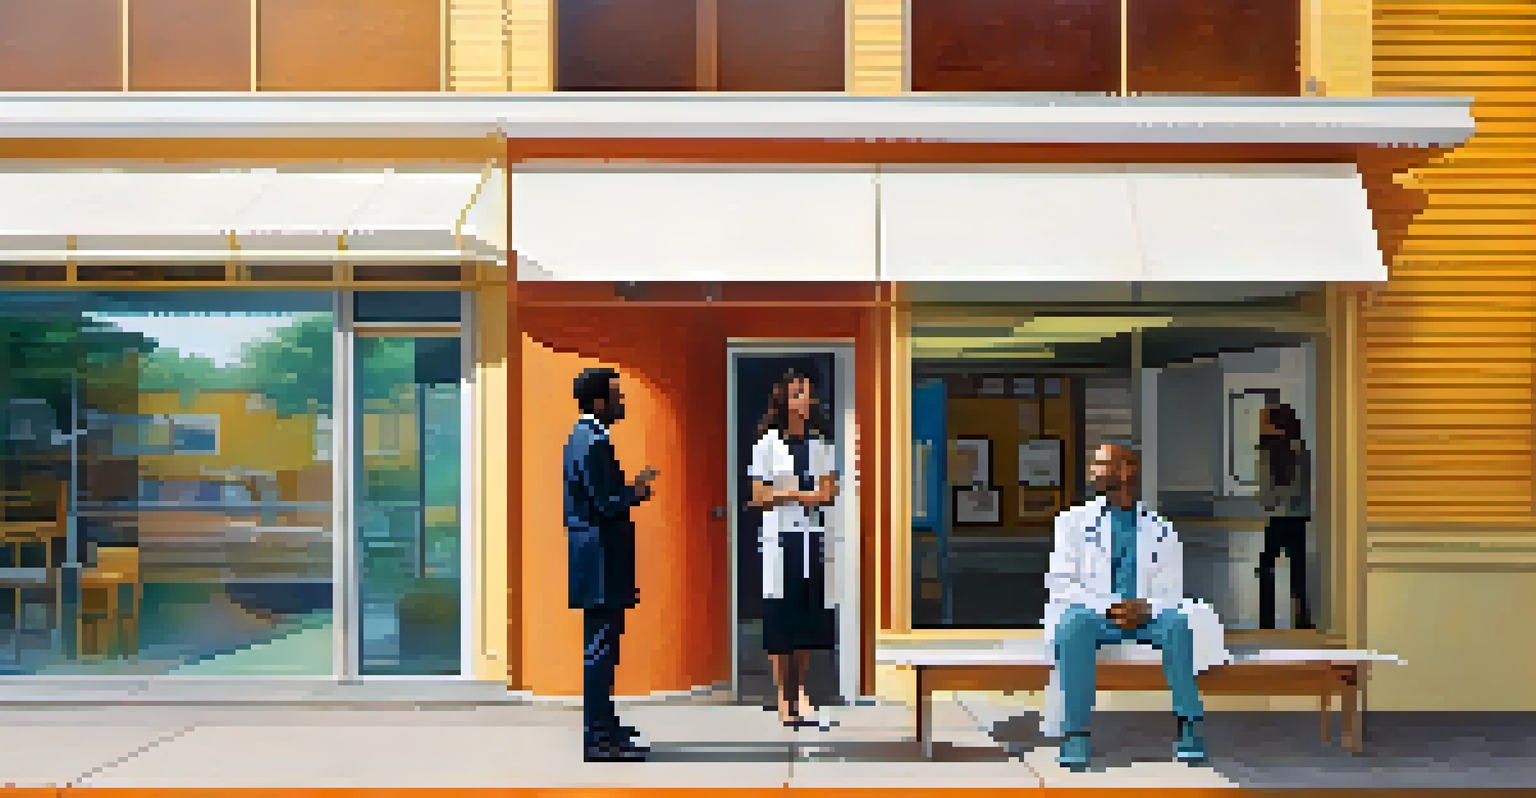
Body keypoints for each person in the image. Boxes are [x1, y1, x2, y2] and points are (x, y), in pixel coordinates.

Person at [1043, 442, 1229, 771]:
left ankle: (1189, 726)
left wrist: (1147, 609)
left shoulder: (1161, 529)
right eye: (1095, 464)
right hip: (1094, 615)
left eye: (1102, 464)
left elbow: (1172, 589)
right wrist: (1109, 608)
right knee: (1072, 626)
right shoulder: (1071, 523)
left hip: (1146, 617)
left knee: (1177, 624)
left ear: (1128, 470)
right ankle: (1076, 734)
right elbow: (1060, 583)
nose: (1094, 471)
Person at [564, 367, 659, 762]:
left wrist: (626, 488)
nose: (622, 402)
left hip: (598, 562)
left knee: (603, 647)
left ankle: (605, 724)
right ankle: (598, 737)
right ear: (599, 401)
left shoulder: (587, 438)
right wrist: (636, 491)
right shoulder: (592, 442)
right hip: (600, 562)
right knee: (600, 650)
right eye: (617, 395)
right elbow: (606, 503)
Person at [748, 368, 839, 728]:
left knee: (806, 620)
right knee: (780, 620)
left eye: (808, 393)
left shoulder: (820, 444)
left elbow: (829, 493)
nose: (804, 400)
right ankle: (782, 698)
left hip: (811, 539)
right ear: (783, 399)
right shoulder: (767, 444)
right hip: (780, 541)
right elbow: (759, 496)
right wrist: (798, 495)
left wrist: (803, 496)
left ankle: (800, 692)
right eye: (797, 393)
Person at [1256, 403, 1314, 630]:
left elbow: (1266, 495)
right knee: (1298, 573)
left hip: (1278, 518)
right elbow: (1301, 488)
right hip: (1299, 518)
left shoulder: (1269, 451)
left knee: (1266, 569)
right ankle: (1303, 623)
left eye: (1264, 420)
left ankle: (1267, 623)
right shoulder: (1300, 449)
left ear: (1273, 424)